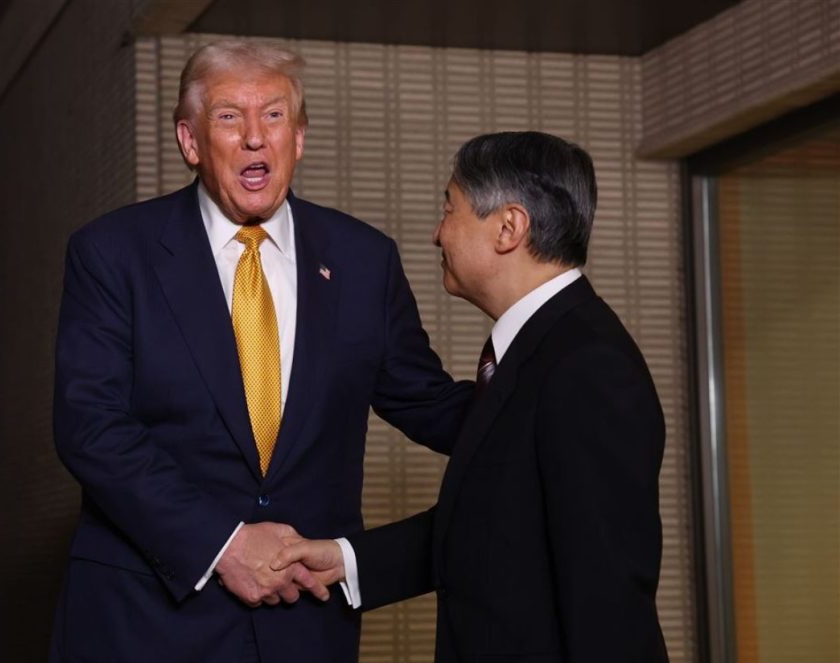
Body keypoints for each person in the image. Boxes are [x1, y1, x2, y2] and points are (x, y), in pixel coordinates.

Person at [48, 41, 472, 663]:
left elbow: (427, 401)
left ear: (297, 138)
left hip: (304, 627)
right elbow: (91, 426)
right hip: (146, 623)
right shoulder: (113, 254)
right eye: (229, 116)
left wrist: (543, 385)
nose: (254, 137)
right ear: (190, 141)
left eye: (273, 115)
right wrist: (222, 544)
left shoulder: (363, 259)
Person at [273, 131, 670, 662]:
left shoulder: (588, 368)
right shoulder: (539, 351)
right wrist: (348, 560)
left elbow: (610, 603)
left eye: (449, 209)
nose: (437, 234)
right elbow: (498, 524)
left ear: (508, 227)